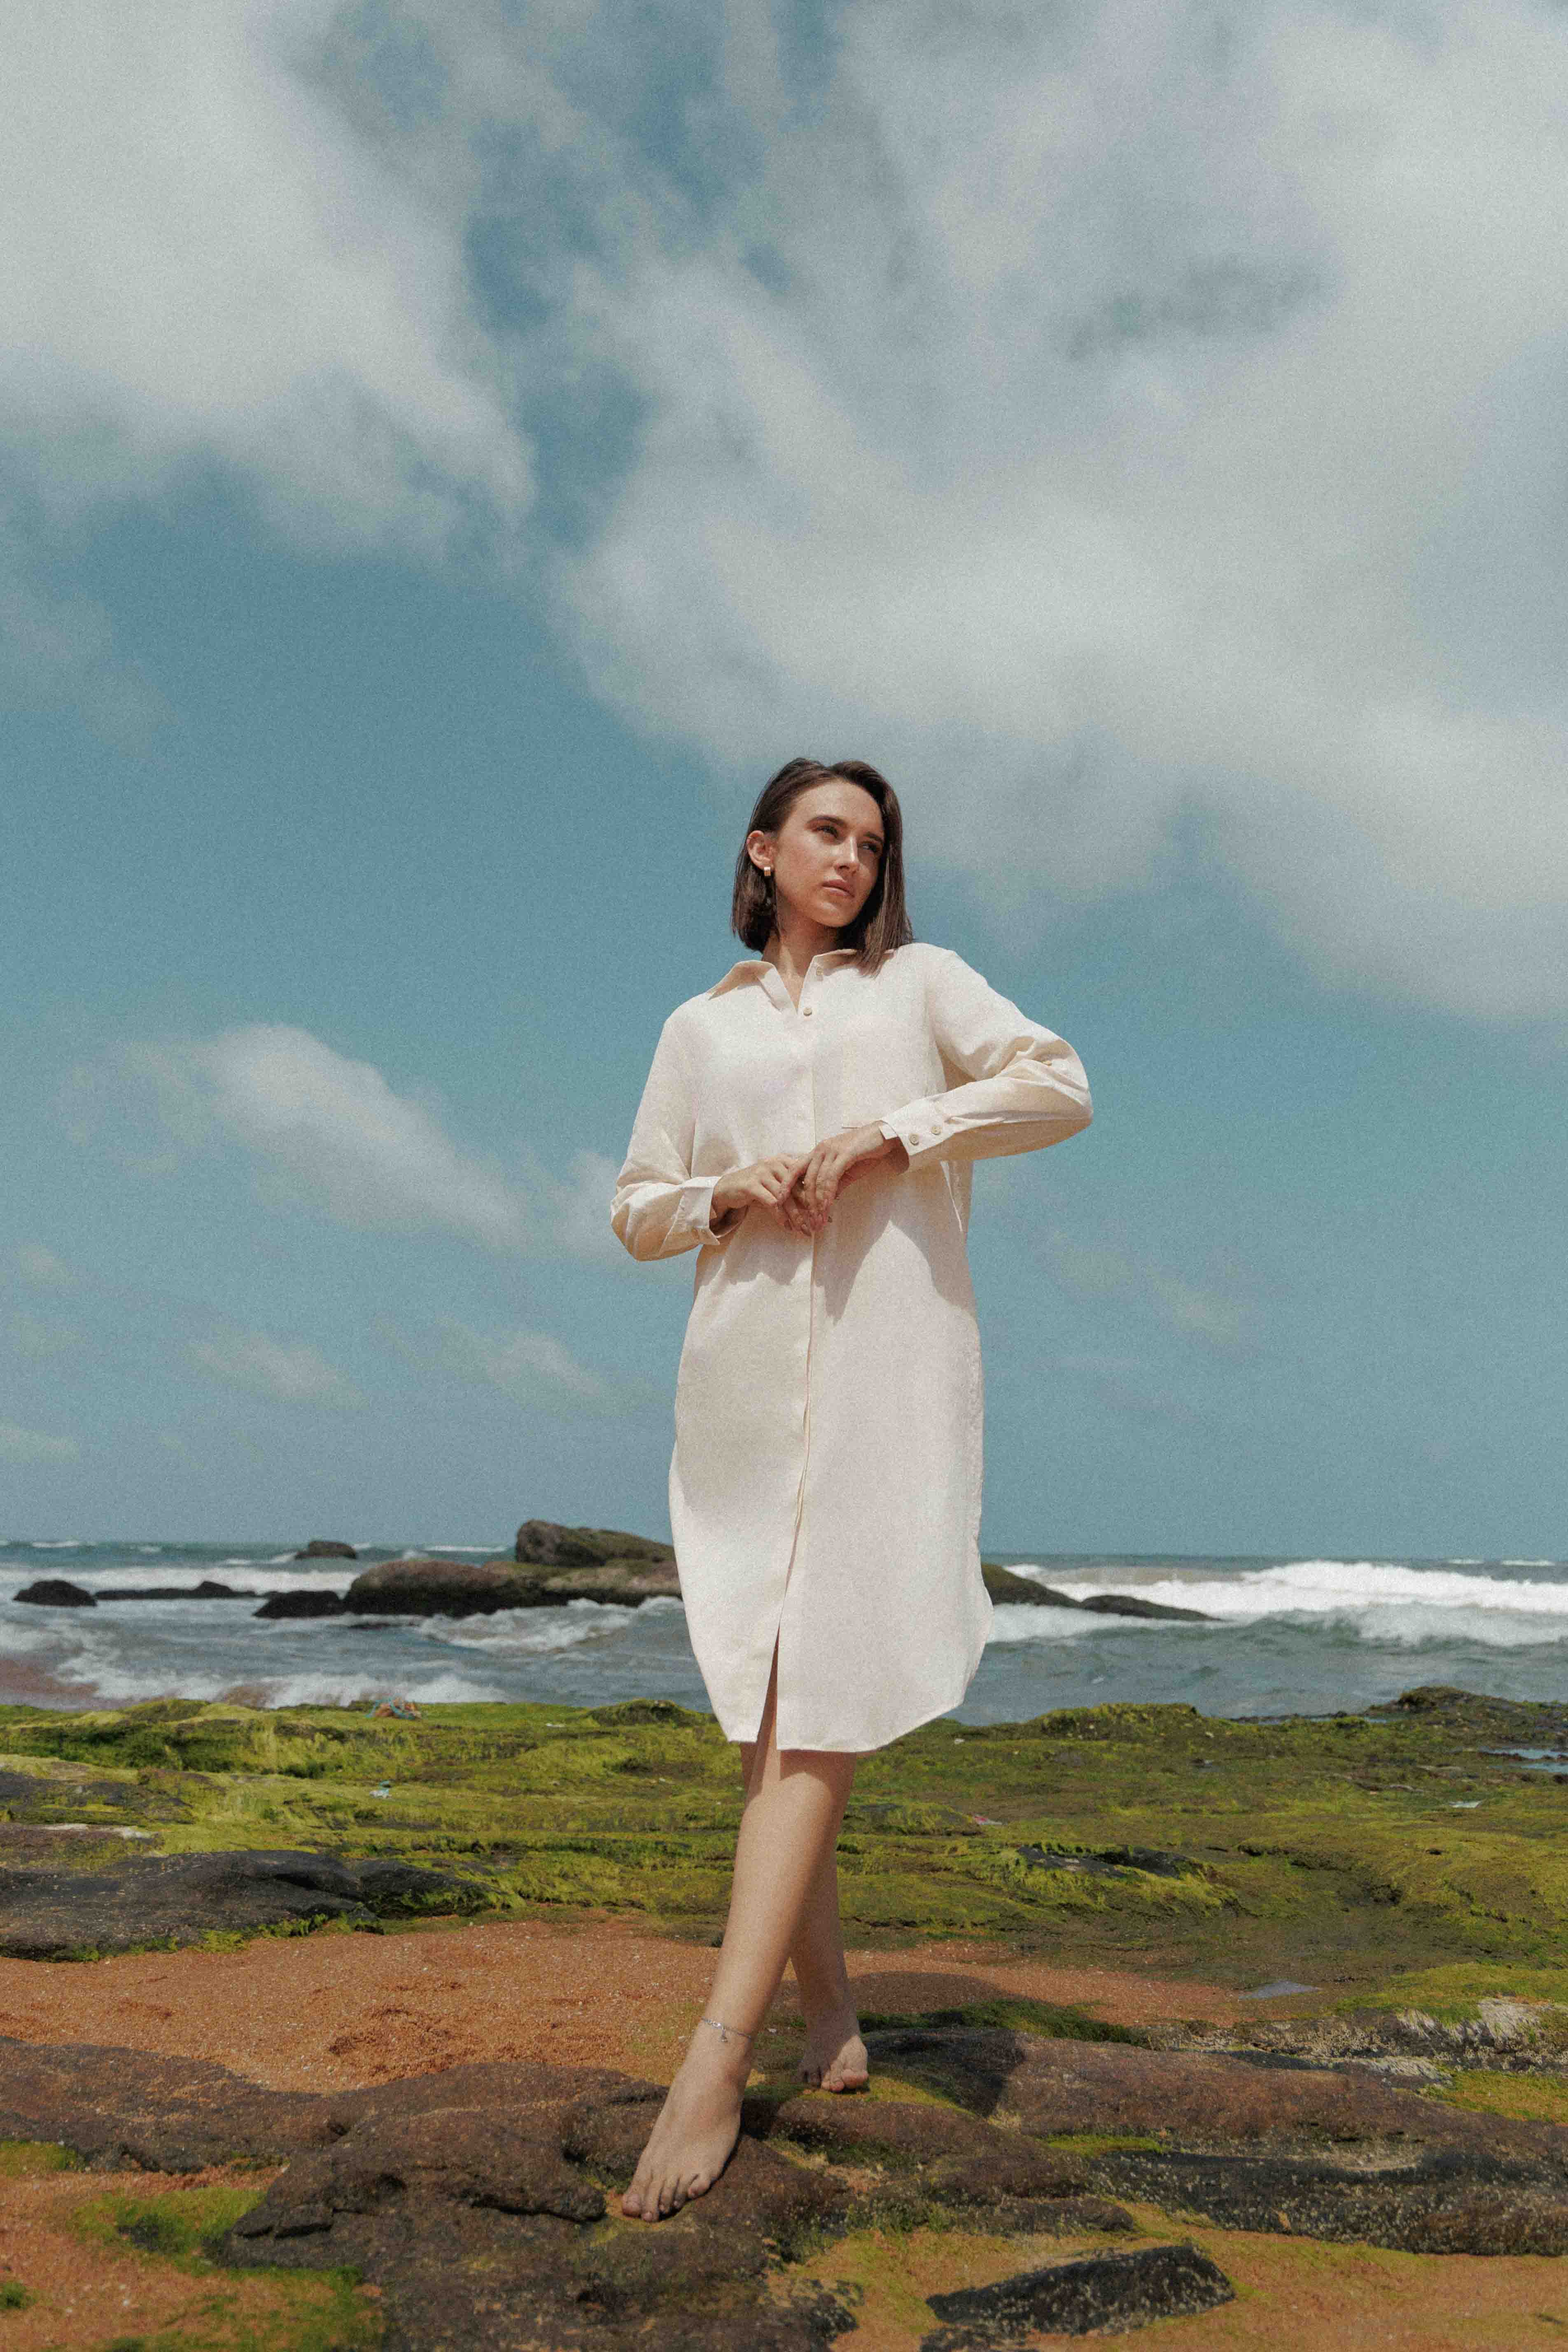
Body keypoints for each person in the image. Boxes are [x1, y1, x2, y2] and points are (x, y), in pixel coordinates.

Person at [609, 756, 1092, 2221]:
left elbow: (1058, 1084)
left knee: (818, 1700)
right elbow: (635, 1210)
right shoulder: (699, 1027)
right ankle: (827, 2007)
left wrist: (897, 1135)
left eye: (872, 844)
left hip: (891, 1387)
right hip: (742, 1392)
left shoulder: (922, 986)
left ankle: (715, 2058)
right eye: (827, 833)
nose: (853, 861)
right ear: (764, 850)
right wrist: (728, 1192)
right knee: (770, 1705)